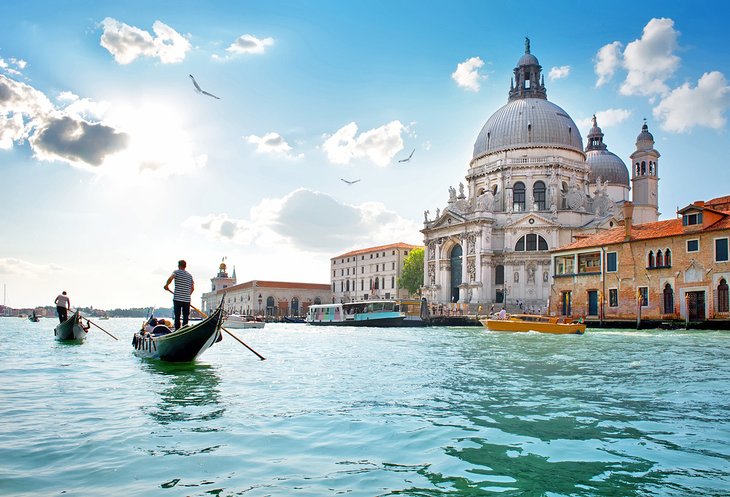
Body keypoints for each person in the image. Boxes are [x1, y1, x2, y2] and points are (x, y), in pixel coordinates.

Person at [164, 260, 195, 330]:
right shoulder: (190, 276)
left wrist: (166, 285)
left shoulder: (176, 272)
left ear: (178, 265)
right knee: (186, 316)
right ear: (185, 266)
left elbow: (171, 278)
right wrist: (187, 294)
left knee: (177, 316)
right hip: (187, 300)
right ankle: (185, 329)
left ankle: (177, 329)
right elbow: (193, 288)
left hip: (177, 298)